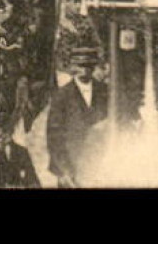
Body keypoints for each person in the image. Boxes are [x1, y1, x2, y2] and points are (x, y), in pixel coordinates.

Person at [46, 43, 111, 188]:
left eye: (88, 65)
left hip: (99, 165)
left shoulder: (106, 92)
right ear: (72, 67)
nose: (84, 70)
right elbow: (54, 137)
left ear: (94, 67)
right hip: (70, 166)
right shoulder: (61, 95)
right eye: (80, 65)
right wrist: (64, 172)